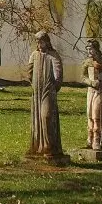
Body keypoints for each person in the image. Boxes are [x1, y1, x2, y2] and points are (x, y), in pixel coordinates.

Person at [26, 30, 67, 163]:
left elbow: (58, 73)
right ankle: (38, 146)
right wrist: (33, 84)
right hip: (37, 92)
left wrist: (55, 86)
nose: (39, 44)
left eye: (41, 41)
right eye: (37, 41)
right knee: (37, 118)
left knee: (47, 116)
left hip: (48, 91)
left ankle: (50, 146)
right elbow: (29, 72)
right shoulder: (34, 55)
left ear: (47, 42)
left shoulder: (53, 55)